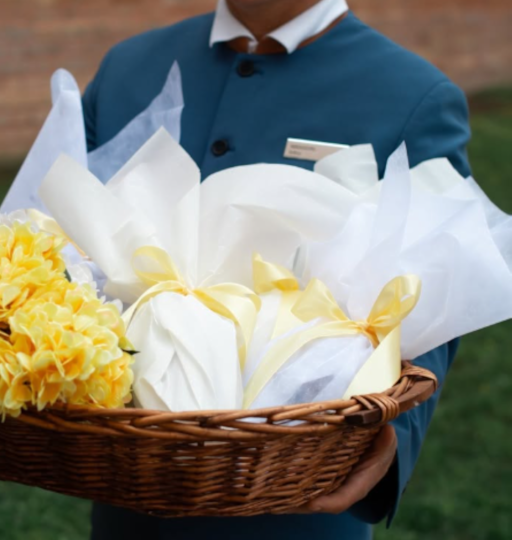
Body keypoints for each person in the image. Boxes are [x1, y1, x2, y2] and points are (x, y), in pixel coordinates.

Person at [82, 1, 470, 538]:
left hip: (297, 508)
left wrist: (392, 437)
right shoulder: (129, 66)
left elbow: (439, 289)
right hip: (129, 494)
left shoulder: (414, 95)